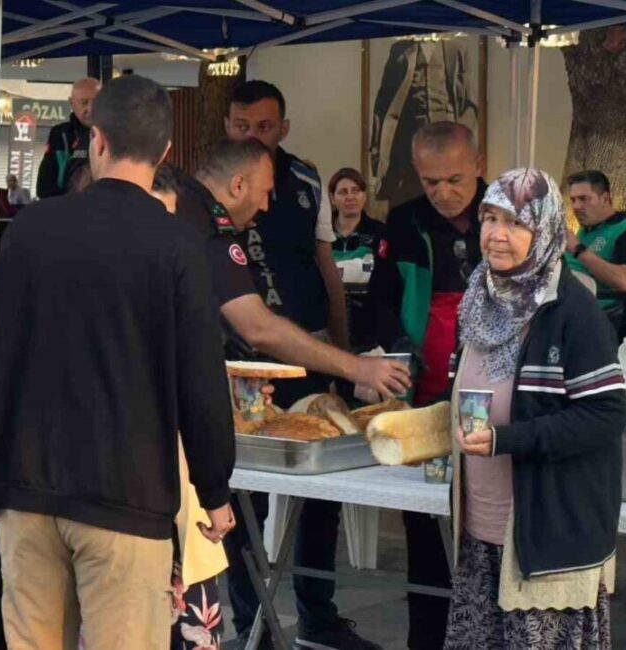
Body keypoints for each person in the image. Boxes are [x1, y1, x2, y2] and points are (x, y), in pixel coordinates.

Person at [0, 75, 236, 650]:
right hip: (127, 495)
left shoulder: (32, 228)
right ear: (166, 152)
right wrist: (215, 488)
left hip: (26, 487)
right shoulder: (177, 245)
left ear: (96, 140)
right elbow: (201, 382)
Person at [223, 80, 387, 650]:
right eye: (242, 126)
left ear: (283, 128)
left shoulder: (305, 179)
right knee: (247, 496)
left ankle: (317, 614)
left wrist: (344, 357)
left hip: (311, 344)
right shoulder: (212, 186)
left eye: (264, 127)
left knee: (323, 488)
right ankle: (253, 623)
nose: (253, 136)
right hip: (241, 359)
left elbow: (326, 267)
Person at [447, 167, 626, 649]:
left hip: (547, 539)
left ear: (545, 229)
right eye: (488, 219)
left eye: (515, 223)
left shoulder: (572, 310)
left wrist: (508, 440)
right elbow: (472, 397)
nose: (496, 236)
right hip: (482, 535)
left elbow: (606, 416)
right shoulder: (480, 301)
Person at [363, 121, 487, 650]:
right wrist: (389, 353)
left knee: (489, 531)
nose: (443, 193)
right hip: (426, 397)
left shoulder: (505, 214)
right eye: (431, 181)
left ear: (479, 166)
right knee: (425, 531)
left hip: (492, 403)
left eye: (455, 179)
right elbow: (381, 301)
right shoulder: (406, 219)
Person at [370, 40, 479, 209]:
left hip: (446, 139)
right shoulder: (400, 49)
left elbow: (468, 103)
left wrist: (463, 144)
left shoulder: (455, 48)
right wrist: (377, 147)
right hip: (408, 142)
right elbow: (383, 101)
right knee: (405, 201)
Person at [564, 170, 626, 310]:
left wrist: (578, 249)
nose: (576, 206)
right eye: (573, 200)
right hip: (563, 304)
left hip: (598, 313)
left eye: (583, 199)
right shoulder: (585, 229)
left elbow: (624, 281)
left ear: (605, 199)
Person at [330, 168, 386, 353]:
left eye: (356, 191)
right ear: (332, 198)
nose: (350, 197)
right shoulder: (320, 235)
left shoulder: (381, 233)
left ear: (364, 196)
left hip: (369, 333)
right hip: (328, 328)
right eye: (343, 192)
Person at [36, 77, 100, 199]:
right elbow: (44, 188)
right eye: (84, 102)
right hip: (68, 208)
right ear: (72, 103)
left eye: (97, 102)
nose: (91, 109)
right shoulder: (61, 134)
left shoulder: (117, 133)